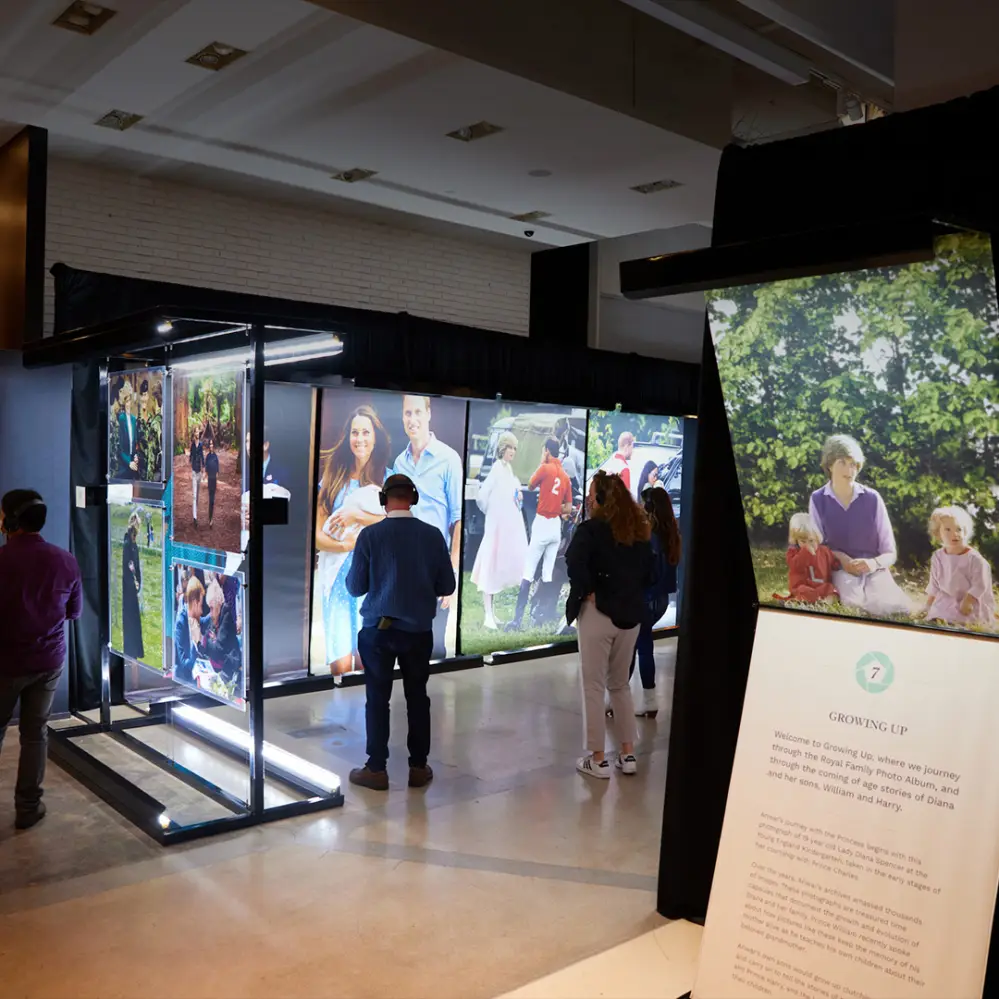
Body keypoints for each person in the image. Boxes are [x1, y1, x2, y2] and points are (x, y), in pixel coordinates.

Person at [345, 474, 456, 791]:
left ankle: (376, 769)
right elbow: (447, 586)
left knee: (377, 699)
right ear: (414, 498)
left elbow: (355, 587)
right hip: (418, 632)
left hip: (378, 634)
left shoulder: (370, 536)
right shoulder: (433, 536)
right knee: (417, 698)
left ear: (384, 500)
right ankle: (418, 767)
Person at [0, 489, 82, 829]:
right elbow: (72, 613)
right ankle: (28, 808)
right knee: (35, 734)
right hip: (48, 662)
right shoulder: (66, 560)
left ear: (11, 521)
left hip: (5, 664)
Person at [565, 472, 653, 778]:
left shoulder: (590, 530)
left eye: (592, 494)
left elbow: (573, 562)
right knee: (620, 684)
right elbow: (650, 575)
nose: (589, 499)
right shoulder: (638, 533)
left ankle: (598, 758)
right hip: (631, 617)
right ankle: (628, 754)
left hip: (597, 613)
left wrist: (589, 587)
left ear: (600, 499)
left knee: (593, 685)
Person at [316, 405, 389, 674]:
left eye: (366, 432)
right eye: (355, 432)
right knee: (342, 666)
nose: (360, 438)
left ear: (375, 437)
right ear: (348, 438)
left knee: (367, 662)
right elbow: (318, 536)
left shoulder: (388, 479)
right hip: (337, 582)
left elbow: (398, 525)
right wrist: (345, 545)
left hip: (374, 582)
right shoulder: (332, 479)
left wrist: (356, 515)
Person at [808, 435, 912, 617]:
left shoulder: (872, 498)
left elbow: (890, 552)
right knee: (853, 607)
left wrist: (873, 563)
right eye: (843, 462)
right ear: (830, 464)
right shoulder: (818, 499)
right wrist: (840, 558)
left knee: (893, 608)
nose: (850, 470)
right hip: (840, 569)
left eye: (854, 464)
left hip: (874, 569)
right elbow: (816, 547)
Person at [391, 395, 462, 659]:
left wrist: (451, 574)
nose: (412, 419)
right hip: (406, 567)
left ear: (428, 414)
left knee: (435, 647)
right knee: (408, 644)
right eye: (408, 413)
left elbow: (458, 518)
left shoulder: (449, 459)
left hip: (436, 566)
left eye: (418, 412)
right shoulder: (399, 464)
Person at [506, 437, 573, 632]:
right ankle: (541, 613)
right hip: (555, 527)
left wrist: (542, 462)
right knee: (547, 573)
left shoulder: (545, 468)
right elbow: (567, 507)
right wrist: (556, 505)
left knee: (528, 571)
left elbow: (532, 484)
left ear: (546, 451)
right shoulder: (566, 476)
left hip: (543, 522)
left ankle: (517, 619)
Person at [631, 486, 682, 719]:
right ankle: (632, 699)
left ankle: (645, 700)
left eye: (644, 504)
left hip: (647, 598)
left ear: (650, 506)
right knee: (636, 645)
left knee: (639, 647)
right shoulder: (670, 532)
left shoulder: (650, 536)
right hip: (660, 599)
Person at [471, 431, 529, 630]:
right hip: (496, 527)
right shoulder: (497, 468)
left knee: (498, 567)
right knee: (490, 566)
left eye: (514, 448)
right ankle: (488, 614)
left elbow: (512, 492)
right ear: (503, 449)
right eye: (510, 447)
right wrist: (493, 513)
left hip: (507, 528)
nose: (512, 451)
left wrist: (516, 497)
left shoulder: (508, 469)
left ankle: (492, 613)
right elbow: (482, 496)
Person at [923, 506, 996, 627]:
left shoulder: (974, 559)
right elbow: (934, 585)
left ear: (965, 531)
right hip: (948, 600)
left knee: (963, 620)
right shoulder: (938, 557)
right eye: (948, 530)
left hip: (970, 601)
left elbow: (980, 584)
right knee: (936, 617)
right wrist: (928, 606)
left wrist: (968, 600)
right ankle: (940, 617)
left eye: (959, 529)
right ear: (938, 533)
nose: (955, 534)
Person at [778, 513, 839, 604]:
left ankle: (824, 603)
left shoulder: (824, 551)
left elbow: (833, 563)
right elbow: (795, 566)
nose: (807, 544)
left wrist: (838, 565)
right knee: (803, 591)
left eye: (811, 541)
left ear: (817, 538)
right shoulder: (794, 553)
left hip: (821, 585)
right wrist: (805, 552)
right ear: (796, 540)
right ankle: (798, 601)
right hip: (804, 586)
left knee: (831, 589)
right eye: (803, 541)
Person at [195, 578, 243, 692]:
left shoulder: (225, 616)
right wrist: (200, 645)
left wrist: (205, 642)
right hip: (217, 667)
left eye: (211, 608)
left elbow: (218, 650)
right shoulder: (215, 616)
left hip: (229, 668)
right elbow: (208, 638)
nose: (210, 613)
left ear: (218, 604)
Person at [172, 575, 206, 684]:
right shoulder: (181, 623)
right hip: (183, 681)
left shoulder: (193, 617)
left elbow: (204, 621)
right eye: (201, 605)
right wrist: (195, 645)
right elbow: (185, 664)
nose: (201, 611)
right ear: (195, 602)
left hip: (196, 675)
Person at [121, 510, 144, 661]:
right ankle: (130, 649)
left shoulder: (134, 544)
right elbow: (127, 564)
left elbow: (136, 564)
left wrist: (139, 582)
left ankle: (136, 649)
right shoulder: (127, 543)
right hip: (128, 587)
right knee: (130, 618)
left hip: (133, 587)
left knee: (135, 619)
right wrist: (132, 582)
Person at [116, 380, 139, 480]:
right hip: (123, 465)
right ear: (124, 403)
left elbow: (136, 443)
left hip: (133, 464)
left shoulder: (134, 419)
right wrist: (128, 462)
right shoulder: (121, 419)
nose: (128, 404)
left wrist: (136, 456)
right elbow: (119, 448)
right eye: (127, 401)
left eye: (130, 401)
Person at [205, 440, 220, 528]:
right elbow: (206, 469)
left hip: (214, 480)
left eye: (212, 444)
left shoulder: (215, 457)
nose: (211, 445)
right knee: (210, 499)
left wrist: (216, 478)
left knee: (212, 501)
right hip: (209, 480)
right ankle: (210, 518)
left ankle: (211, 518)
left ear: (214, 446)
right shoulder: (207, 457)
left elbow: (217, 470)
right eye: (210, 444)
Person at [190, 436, 204, 529]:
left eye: (198, 431)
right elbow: (190, 456)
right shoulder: (192, 445)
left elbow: (202, 455)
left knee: (197, 495)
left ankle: (196, 513)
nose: (197, 433)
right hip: (194, 471)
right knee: (194, 495)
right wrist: (189, 470)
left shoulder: (201, 444)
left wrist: (204, 466)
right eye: (195, 431)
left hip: (199, 471)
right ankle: (195, 517)